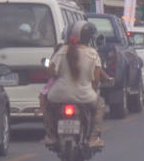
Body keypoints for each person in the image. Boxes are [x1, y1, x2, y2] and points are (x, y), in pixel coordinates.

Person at [44, 20, 105, 148]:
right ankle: (93, 138)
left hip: (58, 95)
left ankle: (51, 136)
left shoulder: (61, 51)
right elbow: (96, 80)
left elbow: (50, 72)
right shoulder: (93, 53)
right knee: (100, 105)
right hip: (85, 96)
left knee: (46, 103)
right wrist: (92, 90)